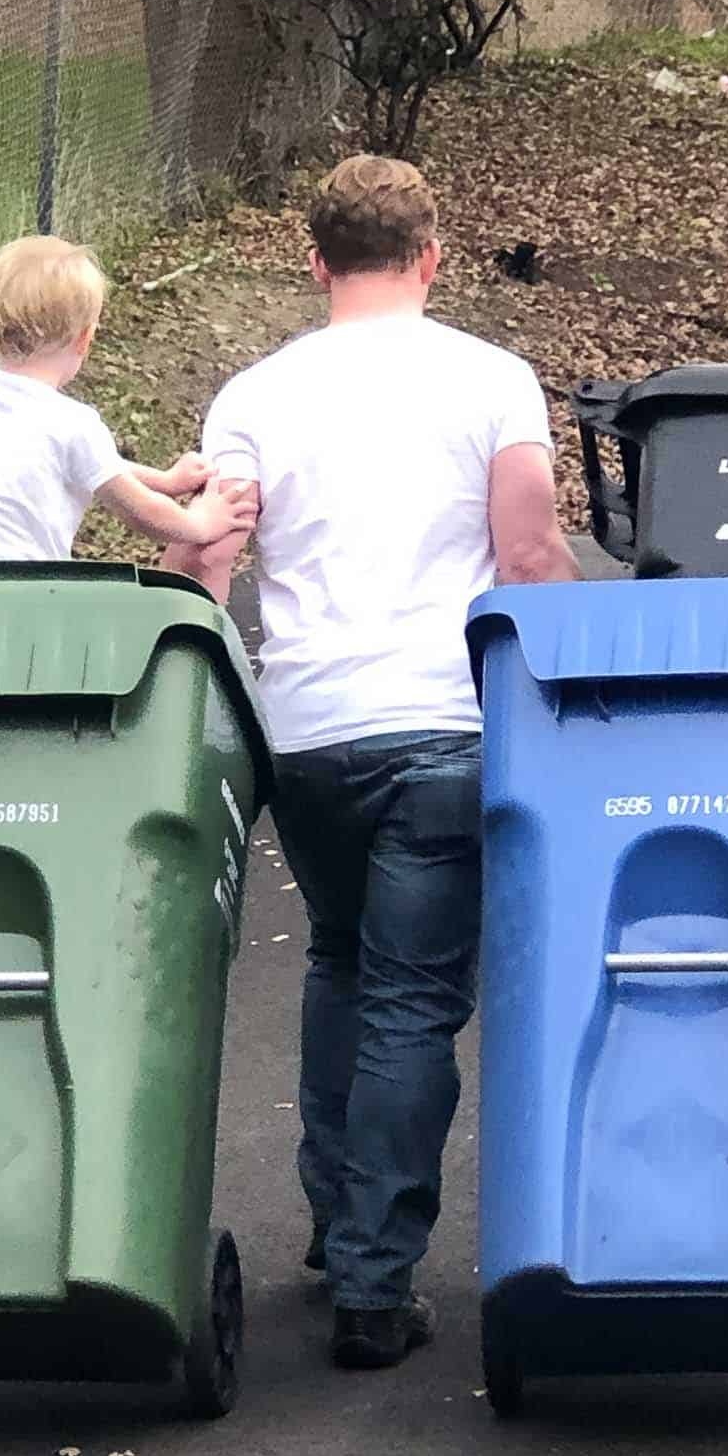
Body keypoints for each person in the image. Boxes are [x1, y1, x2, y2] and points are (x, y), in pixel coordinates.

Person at [165, 155, 580, 1370]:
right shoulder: (491, 381)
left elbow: (209, 574)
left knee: (340, 960)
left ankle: (336, 1215)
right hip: (443, 725)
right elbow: (530, 551)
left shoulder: (253, 394)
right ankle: (374, 1283)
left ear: (316, 263)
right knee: (412, 997)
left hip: (308, 732)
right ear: (433, 257)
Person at [0, 235, 255, 566]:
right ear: (85, 339)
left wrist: (164, 480)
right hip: (10, 589)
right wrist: (201, 523)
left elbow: (78, 462)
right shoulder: (73, 423)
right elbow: (139, 510)